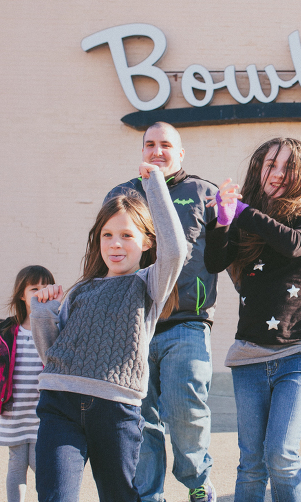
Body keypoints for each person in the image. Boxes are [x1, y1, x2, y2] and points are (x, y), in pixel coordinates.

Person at [31, 162, 186, 501]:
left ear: (146, 242)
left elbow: (175, 250)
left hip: (115, 412)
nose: (116, 244)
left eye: (127, 235)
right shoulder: (81, 290)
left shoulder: (148, 285)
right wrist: (42, 312)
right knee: (55, 496)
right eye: (108, 235)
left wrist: (155, 185)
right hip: (60, 403)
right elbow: (53, 356)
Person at [203, 137, 301, 502]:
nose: (277, 173)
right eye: (270, 164)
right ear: (257, 168)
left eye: (287, 167)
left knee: (280, 453)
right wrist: (221, 220)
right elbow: (214, 262)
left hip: (299, 351)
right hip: (249, 354)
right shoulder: (244, 224)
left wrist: (241, 209)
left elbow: (294, 243)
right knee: (251, 462)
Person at [104, 122, 219, 502]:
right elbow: (106, 252)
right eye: (150, 144)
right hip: (133, 324)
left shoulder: (203, 192)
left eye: (166, 145)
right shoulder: (123, 194)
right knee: (141, 419)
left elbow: (229, 250)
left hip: (187, 322)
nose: (157, 151)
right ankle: (148, 494)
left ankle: (197, 482)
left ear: (180, 153)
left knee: (187, 409)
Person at [0, 265, 55, 502]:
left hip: (41, 410)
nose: (41, 292)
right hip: (14, 410)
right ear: (22, 295)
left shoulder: (54, 326)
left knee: (41, 463)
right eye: (34, 288)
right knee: (16, 464)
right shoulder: (7, 331)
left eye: (46, 287)